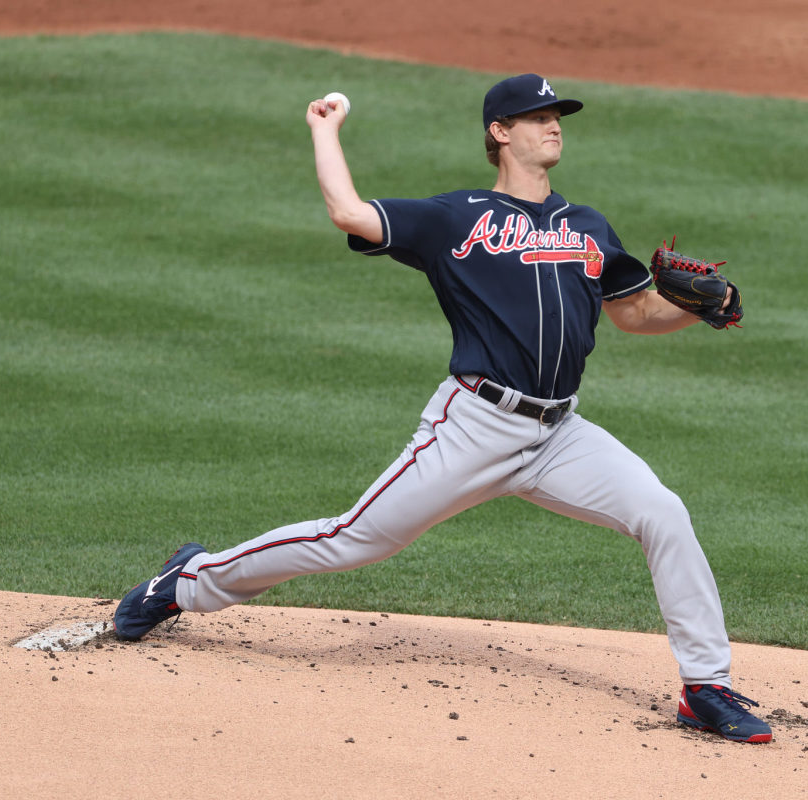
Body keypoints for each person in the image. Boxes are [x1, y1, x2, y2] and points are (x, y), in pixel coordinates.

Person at [113, 73, 772, 744]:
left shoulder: (588, 226)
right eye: (537, 115)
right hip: (474, 427)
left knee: (662, 511)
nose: (554, 124)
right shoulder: (456, 217)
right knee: (354, 539)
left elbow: (635, 312)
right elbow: (349, 212)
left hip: (560, 433)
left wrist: (704, 312)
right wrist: (324, 128)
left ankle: (704, 687)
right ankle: (187, 580)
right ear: (499, 132)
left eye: (558, 115)